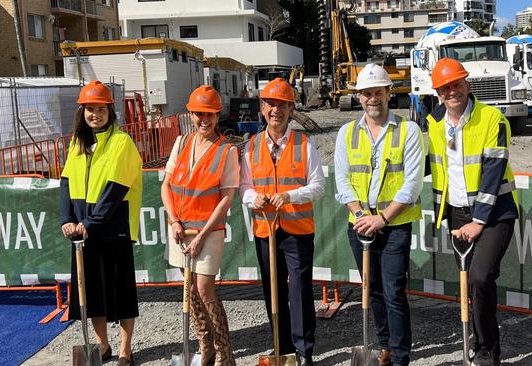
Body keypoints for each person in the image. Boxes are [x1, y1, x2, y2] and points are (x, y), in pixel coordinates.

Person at [425, 58, 519, 366]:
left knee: (480, 277)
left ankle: (487, 350)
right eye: (444, 87)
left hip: (496, 213)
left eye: (456, 84)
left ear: (468, 84)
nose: (451, 91)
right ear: (437, 92)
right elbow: (436, 165)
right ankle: (477, 338)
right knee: (468, 283)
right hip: (457, 213)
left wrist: (479, 221)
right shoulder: (435, 122)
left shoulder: (492, 118)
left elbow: (493, 170)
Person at [334, 63, 425, 366]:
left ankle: (400, 357)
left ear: (388, 93)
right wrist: (361, 215)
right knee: (371, 289)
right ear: (358, 97)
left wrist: (382, 219)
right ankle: (384, 346)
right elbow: (343, 180)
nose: (372, 98)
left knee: (393, 291)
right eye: (366, 93)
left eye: (378, 92)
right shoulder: (347, 133)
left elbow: (412, 184)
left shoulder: (408, 130)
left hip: (394, 225)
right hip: (359, 225)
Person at [239, 78, 325, 366]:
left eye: (282, 105)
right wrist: (254, 199)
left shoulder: (304, 144)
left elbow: (318, 186)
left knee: (299, 289)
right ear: (263, 108)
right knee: (272, 288)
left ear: (291, 109)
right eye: (270, 104)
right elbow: (244, 187)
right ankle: (281, 345)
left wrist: (289, 196)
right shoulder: (250, 147)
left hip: (297, 230)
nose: (276, 110)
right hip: (266, 229)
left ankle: (304, 350)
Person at [60, 80, 142, 366]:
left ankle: (125, 350)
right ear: (82, 111)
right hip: (84, 232)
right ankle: (102, 346)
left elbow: (115, 191)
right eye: (90, 109)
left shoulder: (122, 142)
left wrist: (89, 223)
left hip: (113, 229)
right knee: (91, 293)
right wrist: (66, 219)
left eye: (100, 109)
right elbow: (66, 182)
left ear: (110, 110)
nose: (95, 114)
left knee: (121, 294)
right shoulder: (77, 142)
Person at [161, 85, 238, 366]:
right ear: (190, 114)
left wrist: (202, 234)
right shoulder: (181, 142)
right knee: (189, 289)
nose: (204, 120)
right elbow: (166, 186)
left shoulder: (226, 151)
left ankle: (223, 351)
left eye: (209, 114)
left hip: (208, 231)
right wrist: (173, 220)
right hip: (181, 230)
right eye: (198, 114)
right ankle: (204, 346)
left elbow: (226, 198)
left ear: (218, 116)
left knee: (204, 288)